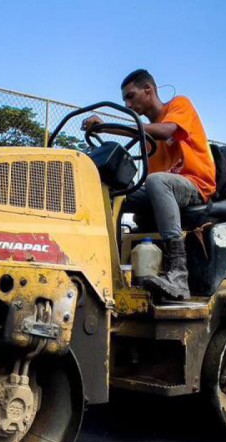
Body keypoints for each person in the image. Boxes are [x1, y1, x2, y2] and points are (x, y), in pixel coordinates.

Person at [82, 69, 216, 300]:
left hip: (195, 184)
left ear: (148, 89)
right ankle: (106, 264)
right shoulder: (147, 139)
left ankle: (178, 275)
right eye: (124, 99)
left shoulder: (179, 105)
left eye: (130, 96)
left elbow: (166, 131)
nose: (127, 103)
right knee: (117, 192)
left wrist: (106, 127)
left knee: (156, 181)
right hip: (165, 187)